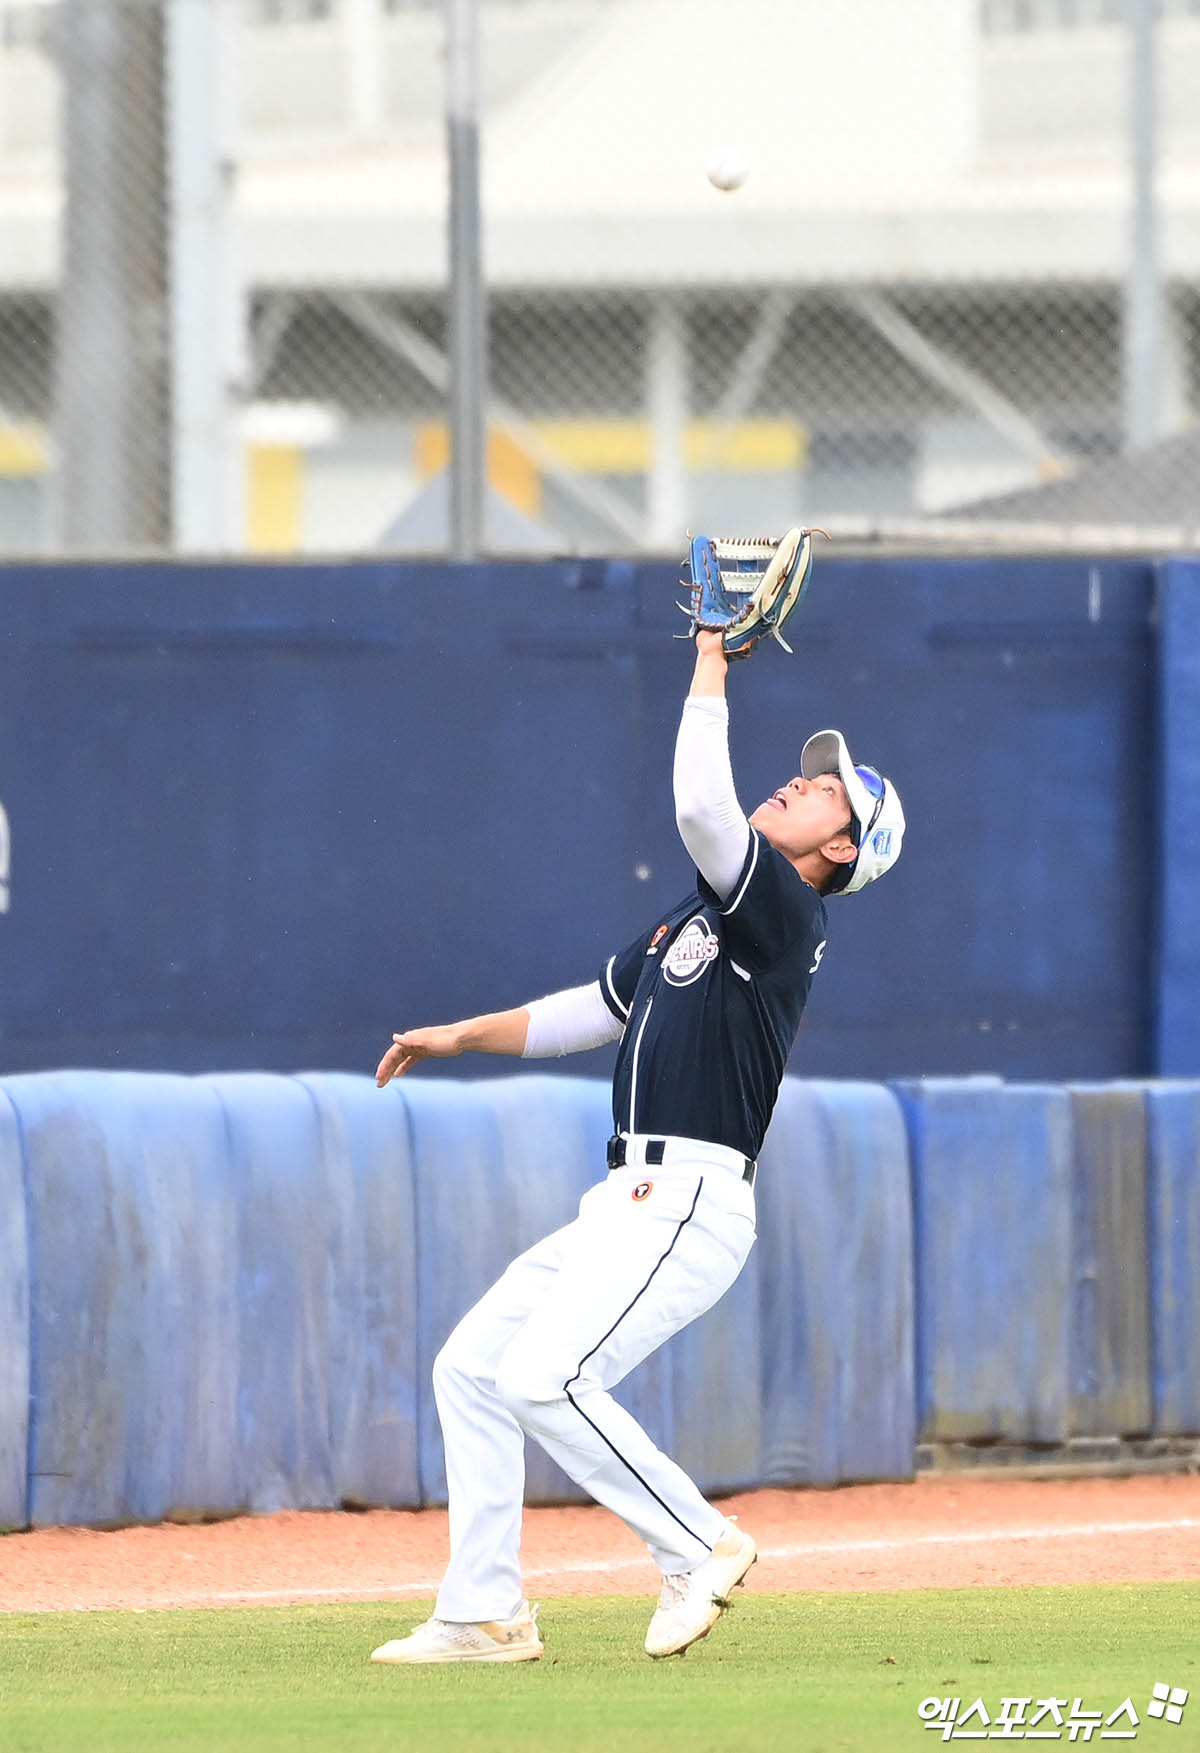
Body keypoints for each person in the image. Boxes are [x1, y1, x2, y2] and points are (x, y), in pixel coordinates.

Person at [369, 627, 905, 1665]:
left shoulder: (785, 911)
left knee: (544, 1376)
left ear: (842, 848)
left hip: (692, 1197)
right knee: (473, 1369)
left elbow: (701, 806)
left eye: (826, 791)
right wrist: (458, 1034)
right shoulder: (703, 914)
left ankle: (699, 1541)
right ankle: (483, 1611)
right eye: (806, 777)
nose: (800, 786)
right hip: (625, 1199)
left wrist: (711, 659)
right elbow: (592, 1010)